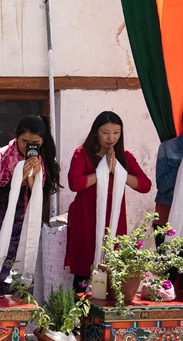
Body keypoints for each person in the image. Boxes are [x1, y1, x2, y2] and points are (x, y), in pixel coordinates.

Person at [65, 111, 151, 291]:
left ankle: (106, 317)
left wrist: (118, 172)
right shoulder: (82, 154)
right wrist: (101, 172)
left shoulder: (124, 156)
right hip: (86, 218)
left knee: (112, 269)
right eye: (105, 132)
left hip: (114, 220)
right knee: (84, 270)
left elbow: (145, 185)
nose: (111, 138)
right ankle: (83, 316)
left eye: (116, 133)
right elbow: (75, 183)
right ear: (96, 132)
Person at [0, 115, 61, 296]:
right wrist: (19, 176)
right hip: (0, 221)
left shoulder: (44, 159)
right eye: (24, 141)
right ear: (16, 136)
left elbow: (40, 197)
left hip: (26, 221)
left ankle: (21, 320)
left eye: (35, 143)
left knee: (22, 268)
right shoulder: (2, 154)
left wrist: (32, 177)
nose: (28, 147)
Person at [155, 131, 183, 291]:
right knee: (167, 276)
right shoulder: (168, 147)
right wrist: (180, 168)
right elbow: (162, 184)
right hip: (166, 218)